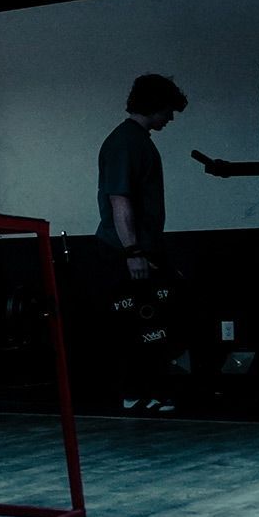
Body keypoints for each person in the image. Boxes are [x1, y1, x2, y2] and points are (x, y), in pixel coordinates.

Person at [96, 74, 188, 410]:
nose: (171, 117)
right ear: (156, 105)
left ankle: (148, 391)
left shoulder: (138, 140)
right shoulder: (126, 142)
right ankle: (134, 394)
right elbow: (119, 198)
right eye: (169, 110)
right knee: (137, 325)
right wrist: (132, 252)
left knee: (154, 324)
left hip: (143, 249)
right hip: (125, 252)